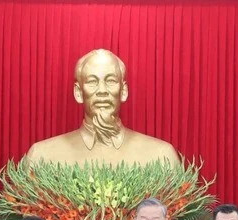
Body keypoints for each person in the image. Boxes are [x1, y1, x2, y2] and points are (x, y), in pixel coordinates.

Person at [23, 49, 180, 167]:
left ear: (123, 91)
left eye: (111, 81)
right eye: (92, 81)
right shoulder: (41, 156)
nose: (102, 90)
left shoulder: (162, 157)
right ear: (78, 92)